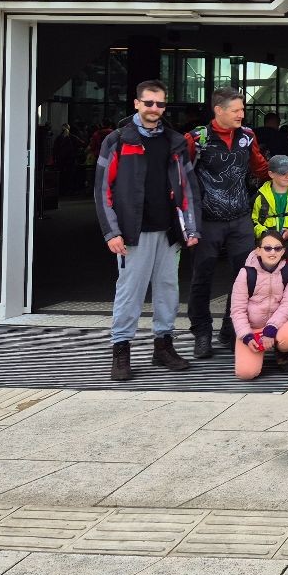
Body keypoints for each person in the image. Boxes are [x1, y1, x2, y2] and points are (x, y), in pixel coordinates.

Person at [94, 79, 198, 382]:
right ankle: (121, 350)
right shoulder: (117, 140)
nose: (154, 108)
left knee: (168, 292)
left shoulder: (175, 141)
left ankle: (163, 347)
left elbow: (188, 188)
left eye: (160, 103)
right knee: (129, 293)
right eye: (149, 102)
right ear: (137, 103)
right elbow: (102, 190)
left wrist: (191, 228)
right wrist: (111, 232)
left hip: (168, 232)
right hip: (132, 234)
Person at [186, 86, 270, 358]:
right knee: (202, 277)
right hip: (207, 221)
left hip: (240, 218)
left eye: (242, 109)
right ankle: (201, 333)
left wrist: (281, 177)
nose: (241, 114)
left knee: (245, 277)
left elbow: (260, 167)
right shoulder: (196, 138)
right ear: (218, 110)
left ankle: (231, 328)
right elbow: (179, 175)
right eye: (236, 110)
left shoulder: (247, 136)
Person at [229, 231, 288, 380]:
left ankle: (281, 352)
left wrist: (271, 328)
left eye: (277, 248)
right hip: (252, 328)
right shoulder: (246, 273)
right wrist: (246, 335)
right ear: (258, 250)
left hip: (278, 325)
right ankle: (255, 351)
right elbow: (237, 310)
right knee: (246, 374)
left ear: (283, 251)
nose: (272, 252)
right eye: (267, 248)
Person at [251, 155, 288, 270]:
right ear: (271, 174)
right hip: (267, 249)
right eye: (283, 173)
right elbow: (252, 221)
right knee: (266, 279)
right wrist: (265, 234)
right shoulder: (259, 197)